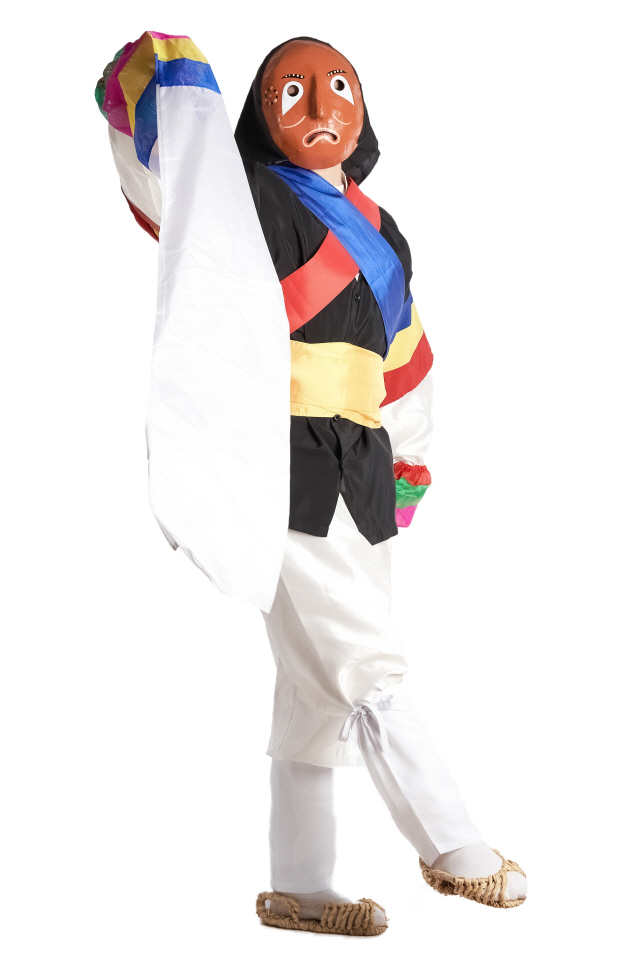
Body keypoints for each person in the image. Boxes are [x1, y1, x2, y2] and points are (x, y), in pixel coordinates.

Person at [96, 32, 526, 937]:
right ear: (262, 117)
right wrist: (158, 89)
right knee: (368, 665)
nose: (322, 107)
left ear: (363, 114)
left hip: (362, 466)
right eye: (293, 92)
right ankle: (455, 848)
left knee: (313, 691)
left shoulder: (383, 229)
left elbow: (403, 356)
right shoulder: (245, 199)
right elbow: (178, 194)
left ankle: (300, 887)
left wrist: (410, 456)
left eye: (338, 88)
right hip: (286, 457)